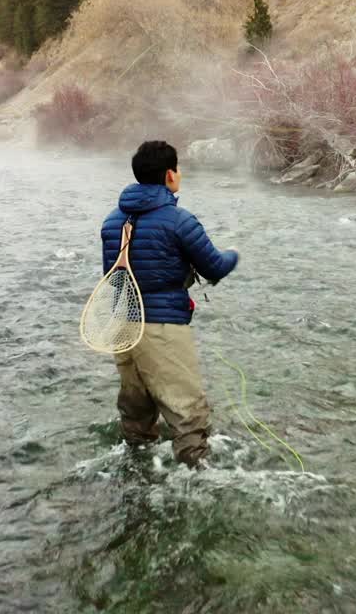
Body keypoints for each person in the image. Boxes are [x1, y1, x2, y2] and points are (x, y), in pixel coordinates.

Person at [100, 140, 239, 467]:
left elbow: (113, 276)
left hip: (122, 327)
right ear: (169, 175)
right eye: (177, 169)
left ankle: (137, 474)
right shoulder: (178, 220)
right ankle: (200, 482)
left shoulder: (110, 221)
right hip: (161, 329)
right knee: (188, 413)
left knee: (136, 414)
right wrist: (236, 254)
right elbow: (215, 267)